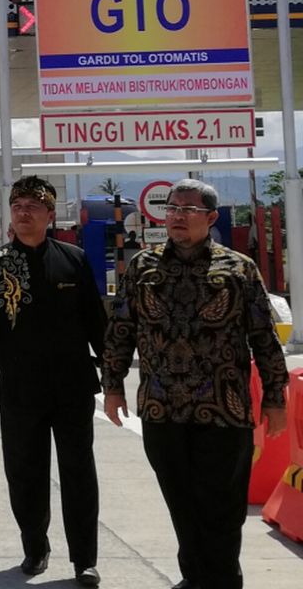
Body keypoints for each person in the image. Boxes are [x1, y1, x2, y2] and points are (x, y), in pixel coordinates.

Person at [103, 178, 289, 589]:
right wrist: (112, 385)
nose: (177, 217)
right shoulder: (143, 266)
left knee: (222, 507)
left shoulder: (238, 268)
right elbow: (120, 329)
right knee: (181, 503)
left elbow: (264, 337)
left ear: (210, 217)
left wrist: (276, 398)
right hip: (161, 407)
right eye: (171, 209)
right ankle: (195, 577)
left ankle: (222, 580)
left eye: (187, 210)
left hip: (225, 408)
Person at [0, 175, 107, 586]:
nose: (24, 213)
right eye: (18, 206)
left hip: (73, 385)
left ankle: (85, 559)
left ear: (49, 214)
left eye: (33, 206)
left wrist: (110, 372)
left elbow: (95, 323)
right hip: (21, 387)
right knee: (25, 470)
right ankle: (35, 546)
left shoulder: (74, 259)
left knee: (79, 470)